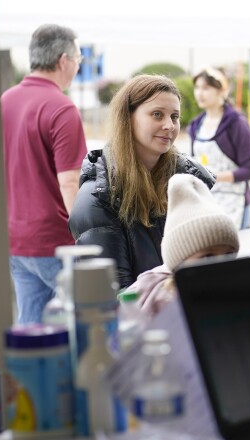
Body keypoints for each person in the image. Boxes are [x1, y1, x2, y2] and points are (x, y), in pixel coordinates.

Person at [69, 74, 214, 289]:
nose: (169, 125)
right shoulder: (97, 198)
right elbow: (115, 295)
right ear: (128, 118)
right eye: (157, 115)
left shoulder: (188, 183)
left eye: (174, 116)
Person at [1, 24, 87, 325]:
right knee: (90, 323)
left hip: (15, 238)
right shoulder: (62, 108)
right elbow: (70, 181)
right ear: (63, 60)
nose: (78, 66)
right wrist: (87, 239)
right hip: (54, 242)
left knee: (31, 328)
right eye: (78, 58)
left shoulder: (5, 101)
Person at [124, 173, 240, 318]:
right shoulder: (158, 298)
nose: (221, 265)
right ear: (178, 263)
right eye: (207, 256)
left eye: (229, 255)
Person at [187, 67, 250, 230]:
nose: (199, 93)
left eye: (205, 88)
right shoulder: (195, 125)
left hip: (235, 202)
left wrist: (214, 177)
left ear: (221, 90)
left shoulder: (236, 124)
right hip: (205, 201)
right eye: (197, 87)